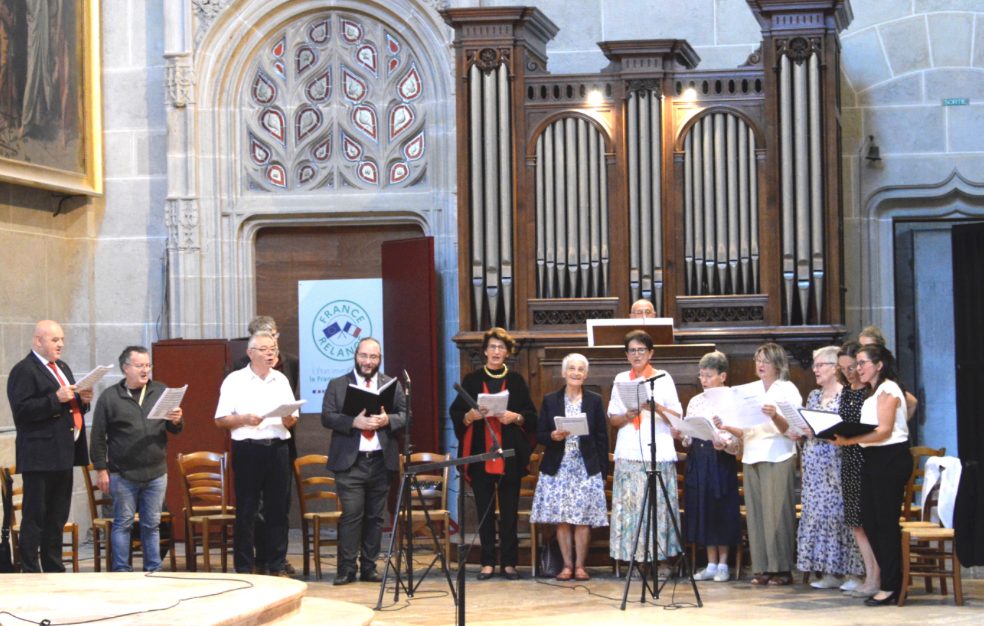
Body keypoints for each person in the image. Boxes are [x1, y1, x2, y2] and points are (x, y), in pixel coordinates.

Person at [449, 327, 537, 580]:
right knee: (484, 510)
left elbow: (531, 417)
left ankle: (509, 563)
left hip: (509, 455)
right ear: (485, 351)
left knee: (509, 511)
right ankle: (487, 562)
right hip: (480, 455)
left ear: (507, 352)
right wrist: (469, 416)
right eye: (492, 347)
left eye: (501, 347)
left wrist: (515, 416)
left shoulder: (518, 381)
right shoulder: (472, 381)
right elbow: (457, 414)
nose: (496, 351)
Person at [6, 320, 92, 572]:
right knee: (36, 516)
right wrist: (55, 398)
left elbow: (70, 406)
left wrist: (83, 401)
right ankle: (30, 568)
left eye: (62, 339)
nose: (61, 344)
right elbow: (21, 411)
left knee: (57, 515)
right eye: (55, 340)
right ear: (37, 341)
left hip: (64, 452)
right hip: (40, 454)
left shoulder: (62, 367)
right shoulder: (24, 370)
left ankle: (54, 567)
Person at [89, 346, 183, 572]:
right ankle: (122, 570)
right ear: (125, 368)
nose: (145, 370)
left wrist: (177, 420)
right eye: (140, 365)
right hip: (123, 473)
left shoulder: (161, 390)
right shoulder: (110, 397)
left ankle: (153, 569)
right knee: (123, 523)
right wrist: (101, 470)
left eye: (148, 365)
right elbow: (98, 436)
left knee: (152, 524)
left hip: (156, 472)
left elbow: (174, 429)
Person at [322, 337, 407, 585]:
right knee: (352, 514)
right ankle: (346, 568)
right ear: (355, 355)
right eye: (364, 356)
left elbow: (406, 414)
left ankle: (369, 567)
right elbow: (327, 417)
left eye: (373, 357)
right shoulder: (338, 385)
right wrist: (353, 422)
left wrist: (388, 420)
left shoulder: (391, 384)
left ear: (379, 359)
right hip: (351, 462)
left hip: (381, 461)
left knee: (375, 517)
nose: (368, 362)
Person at [214, 331, 298, 576]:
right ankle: (244, 565)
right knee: (247, 510)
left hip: (278, 447)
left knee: (278, 510)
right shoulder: (235, 380)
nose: (270, 353)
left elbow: (291, 420)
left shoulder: (281, 379)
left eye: (273, 348)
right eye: (264, 349)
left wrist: (288, 417)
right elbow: (220, 420)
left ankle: (276, 563)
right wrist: (243, 419)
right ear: (250, 353)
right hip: (248, 448)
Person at [833, 344, 911, 606]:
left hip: (890, 457)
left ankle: (892, 585)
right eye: (857, 363)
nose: (858, 368)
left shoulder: (888, 389)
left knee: (885, 523)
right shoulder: (871, 392)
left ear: (879, 365)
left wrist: (848, 441)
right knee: (869, 519)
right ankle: (889, 580)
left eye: (863, 362)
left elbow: (885, 430)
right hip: (873, 457)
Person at [719, 342, 802, 586]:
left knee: (777, 513)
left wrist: (774, 414)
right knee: (756, 514)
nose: (760, 365)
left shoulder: (787, 390)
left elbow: (794, 429)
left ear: (777, 364)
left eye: (765, 360)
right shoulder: (750, 390)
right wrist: (726, 425)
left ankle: (782, 568)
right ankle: (762, 567)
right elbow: (745, 427)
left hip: (778, 453)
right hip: (752, 452)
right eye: (757, 360)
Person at [607, 330, 683, 568]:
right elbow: (613, 419)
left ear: (651, 353)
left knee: (657, 506)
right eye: (632, 350)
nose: (637, 354)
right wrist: (627, 415)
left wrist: (656, 407)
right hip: (629, 449)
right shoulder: (621, 378)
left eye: (641, 350)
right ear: (626, 354)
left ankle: (661, 561)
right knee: (632, 509)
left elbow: (677, 417)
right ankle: (637, 561)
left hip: (657, 449)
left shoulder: (663, 378)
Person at [529, 353, 609, 582]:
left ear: (586, 374)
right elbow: (540, 433)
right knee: (562, 519)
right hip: (559, 466)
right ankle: (566, 565)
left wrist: (602, 470)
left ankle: (581, 566)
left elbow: (602, 437)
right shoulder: (550, 399)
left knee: (583, 519)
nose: (576, 373)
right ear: (564, 373)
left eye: (580, 369)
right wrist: (553, 435)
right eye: (571, 369)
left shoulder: (594, 400)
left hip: (585, 466)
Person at [795, 346, 864, 589]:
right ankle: (828, 571)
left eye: (820, 365)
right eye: (814, 365)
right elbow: (810, 425)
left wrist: (820, 432)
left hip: (836, 460)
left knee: (840, 515)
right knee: (818, 515)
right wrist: (803, 431)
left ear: (835, 368)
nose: (815, 369)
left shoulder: (847, 395)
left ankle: (853, 573)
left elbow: (848, 428)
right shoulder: (814, 396)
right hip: (813, 462)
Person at [673, 351, 740, 583]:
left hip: (720, 457)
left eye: (709, 376)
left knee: (721, 508)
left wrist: (727, 442)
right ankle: (711, 562)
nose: (704, 380)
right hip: (699, 458)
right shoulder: (695, 401)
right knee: (704, 509)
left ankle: (723, 563)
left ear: (722, 376)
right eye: (701, 375)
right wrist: (683, 435)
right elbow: (689, 435)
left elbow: (738, 434)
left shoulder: (732, 398)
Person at [836, 341, 880, 596]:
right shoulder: (847, 391)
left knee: (868, 521)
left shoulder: (871, 391)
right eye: (843, 369)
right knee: (855, 523)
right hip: (848, 459)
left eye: (852, 367)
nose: (849, 373)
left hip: (866, 458)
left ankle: (876, 576)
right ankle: (870, 574)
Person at [857, 325, 918, 420]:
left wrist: (898, 423)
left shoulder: (888, 385)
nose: (864, 351)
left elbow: (912, 402)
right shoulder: (859, 371)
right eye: (861, 347)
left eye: (869, 347)